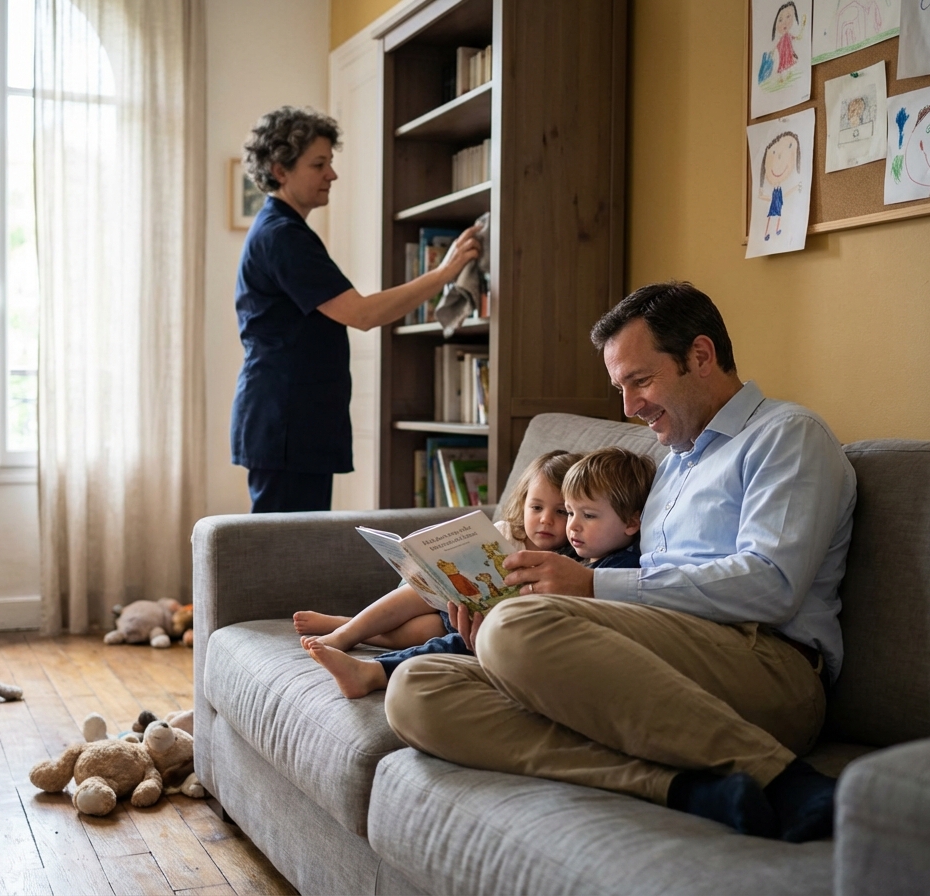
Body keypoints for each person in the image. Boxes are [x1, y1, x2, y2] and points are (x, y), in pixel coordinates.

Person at [384, 281, 857, 844]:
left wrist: (589, 587)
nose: (630, 408)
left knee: (515, 629)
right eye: (620, 387)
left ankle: (782, 779)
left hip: (769, 669)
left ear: (700, 356)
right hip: (653, 662)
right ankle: (684, 787)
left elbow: (772, 585)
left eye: (641, 380)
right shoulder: (672, 464)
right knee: (417, 690)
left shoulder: (786, 436)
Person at [230, 106, 480, 512]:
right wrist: (444, 273)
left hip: (291, 419)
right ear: (280, 170)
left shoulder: (285, 230)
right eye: (319, 164)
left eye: (329, 162)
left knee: (292, 551)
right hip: (286, 422)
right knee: (284, 557)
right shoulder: (283, 236)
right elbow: (362, 314)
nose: (332, 174)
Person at [294, 450, 584, 698]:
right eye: (536, 507)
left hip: (469, 625)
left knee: (427, 631)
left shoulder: (567, 562)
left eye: (561, 512)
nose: (546, 519)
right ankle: (346, 633)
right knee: (414, 596)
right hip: (447, 599)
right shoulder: (506, 534)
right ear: (522, 503)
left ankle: (348, 625)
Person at [562, 447, 654, 571]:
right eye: (570, 513)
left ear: (631, 523)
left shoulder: (622, 569)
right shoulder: (572, 552)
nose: (572, 526)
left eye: (588, 515)